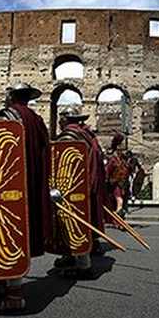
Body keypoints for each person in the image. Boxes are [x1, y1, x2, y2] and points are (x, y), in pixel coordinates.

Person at [0, 82, 52, 312]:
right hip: (31, 185)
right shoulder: (37, 120)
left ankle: (14, 295)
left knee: (8, 234)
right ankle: (3, 279)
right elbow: (47, 152)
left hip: (7, 187)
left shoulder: (5, 118)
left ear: (11, 96)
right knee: (21, 232)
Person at [54, 104, 107, 277]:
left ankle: (84, 266)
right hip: (87, 185)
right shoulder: (86, 134)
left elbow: (63, 164)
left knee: (72, 223)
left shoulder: (68, 136)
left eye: (61, 119)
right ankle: (70, 255)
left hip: (72, 187)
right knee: (78, 220)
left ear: (64, 120)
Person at [104, 133, 129, 217]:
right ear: (117, 147)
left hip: (124, 184)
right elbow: (107, 170)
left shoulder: (123, 158)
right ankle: (118, 218)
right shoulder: (112, 159)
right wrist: (107, 181)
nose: (123, 146)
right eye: (121, 144)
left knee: (122, 203)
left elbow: (127, 169)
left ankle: (119, 219)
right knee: (119, 201)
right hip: (115, 184)